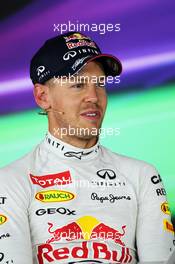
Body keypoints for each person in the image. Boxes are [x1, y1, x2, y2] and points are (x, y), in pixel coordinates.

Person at [0, 31, 174, 264]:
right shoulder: (11, 181)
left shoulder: (142, 175)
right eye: (78, 84)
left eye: (100, 84)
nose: (94, 96)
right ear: (42, 97)